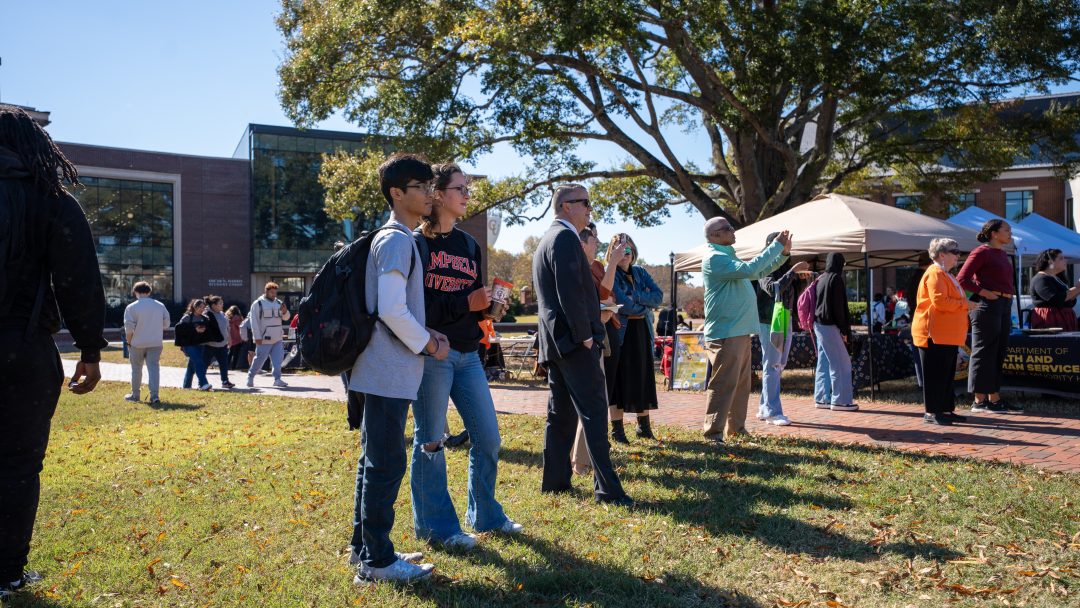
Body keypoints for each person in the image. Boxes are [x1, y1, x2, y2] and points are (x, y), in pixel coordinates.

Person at [0, 106, 107, 599]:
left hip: (21, 344)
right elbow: (77, 279)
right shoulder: (53, 202)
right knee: (19, 464)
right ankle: (7, 571)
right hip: (21, 349)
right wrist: (89, 348)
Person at [409, 162, 522, 550]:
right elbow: (414, 308)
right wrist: (465, 302)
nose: (467, 195)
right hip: (433, 356)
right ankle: (436, 527)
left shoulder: (470, 245)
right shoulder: (416, 244)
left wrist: (489, 308)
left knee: (488, 438)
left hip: (469, 354)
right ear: (438, 194)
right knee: (431, 442)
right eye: (460, 188)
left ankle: (486, 514)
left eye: (467, 188)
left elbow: (473, 302)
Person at [347, 153, 449, 583]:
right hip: (386, 370)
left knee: (374, 461)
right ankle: (378, 562)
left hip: (379, 369)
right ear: (396, 193)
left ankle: (365, 549)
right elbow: (390, 308)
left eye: (431, 186)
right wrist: (428, 342)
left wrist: (425, 334)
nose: (430, 193)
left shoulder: (394, 238)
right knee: (385, 464)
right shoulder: (396, 240)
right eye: (421, 186)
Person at [533, 184, 631, 506]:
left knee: (560, 415)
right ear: (564, 206)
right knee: (593, 413)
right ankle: (608, 491)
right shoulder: (563, 238)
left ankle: (556, 483)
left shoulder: (548, 239)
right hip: (574, 343)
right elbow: (570, 292)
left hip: (557, 344)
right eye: (584, 202)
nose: (590, 208)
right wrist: (586, 336)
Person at [700, 218, 790, 442]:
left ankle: (736, 429)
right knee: (724, 384)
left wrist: (783, 255)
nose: (732, 230)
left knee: (741, 385)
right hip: (726, 331)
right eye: (726, 229)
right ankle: (713, 433)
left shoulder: (728, 256)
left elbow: (758, 272)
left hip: (738, 331)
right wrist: (775, 246)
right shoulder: (716, 258)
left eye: (731, 226)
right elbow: (751, 268)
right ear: (714, 237)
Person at [571, 225, 624, 474]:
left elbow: (607, 295)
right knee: (591, 403)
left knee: (595, 401)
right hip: (583, 341)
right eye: (594, 237)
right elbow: (596, 299)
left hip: (598, 334)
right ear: (583, 242)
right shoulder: (575, 267)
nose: (598, 242)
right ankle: (582, 463)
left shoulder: (596, 267)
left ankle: (584, 459)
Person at [957, 219, 1019, 414]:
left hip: (1004, 304)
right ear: (994, 233)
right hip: (986, 305)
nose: (1010, 233)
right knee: (984, 352)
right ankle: (979, 401)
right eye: (1007, 230)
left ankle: (994, 398)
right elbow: (962, 279)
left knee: (999, 351)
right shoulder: (981, 251)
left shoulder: (1002, 253)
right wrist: (984, 292)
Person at [911, 238, 974, 426]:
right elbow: (940, 302)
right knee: (934, 375)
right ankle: (932, 412)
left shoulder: (947, 274)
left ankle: (946, 409)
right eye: (955, 252)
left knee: (946, 375)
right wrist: (966, 304)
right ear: (942, 254)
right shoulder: (935, 273)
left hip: (947, 334)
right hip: (933, 334)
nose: (958, 256)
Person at [610, 233, 664, 442]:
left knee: (643, 377)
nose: (624, 253)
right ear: (611, 252)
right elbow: (625, 304)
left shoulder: (640, 272)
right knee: (619, 381)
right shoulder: (611, 273)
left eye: (627, 249)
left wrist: (638, 297)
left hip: (641, 330)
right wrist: (643, 302)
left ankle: (644, 428)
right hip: (621, 332)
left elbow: (658, 296)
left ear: (633, 252)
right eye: (619, 248)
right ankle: (617, 431)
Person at [754, 233, 811, 426]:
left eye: (789, 243)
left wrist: (799, 277)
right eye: (785, 244)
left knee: (778, 364)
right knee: (773, 365)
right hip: (769, 320)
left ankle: (764, 407)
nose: (789, 246)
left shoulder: (784, 265)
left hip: (783, 317)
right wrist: (793, 272)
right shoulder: (763, 265)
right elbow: (772, 289)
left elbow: (789, 290)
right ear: (773, 246)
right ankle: (772, 412)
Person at [813, 253, 857, 411]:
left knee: (824, 362)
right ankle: (841, 401)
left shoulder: (821, 278)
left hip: (818, 324)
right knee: (841, 363)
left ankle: (822, 398)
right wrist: (844, 329)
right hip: (830, 326)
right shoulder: (836, 279)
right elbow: (839, 308)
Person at [123, 281, 170, 404]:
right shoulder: (160, 305)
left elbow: (129, 328)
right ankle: (154, 396)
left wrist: (129, 342)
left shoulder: (131, 307)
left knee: (136, 369)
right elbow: (166, 324)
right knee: (154, 368)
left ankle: (135, 394)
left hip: (137, 343)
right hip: (155, 342)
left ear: (135, 292)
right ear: (149, 292)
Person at [246, 282, 291, 388]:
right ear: (266, 291)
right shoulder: (257, 304)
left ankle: (277, 379)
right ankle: (250, 376)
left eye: (275, 293)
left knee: (278, 361)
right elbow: (254, 322)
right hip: (263, 339)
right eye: (271, 292)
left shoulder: (279, 303)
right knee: (259, 360)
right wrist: (256, 337)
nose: (274, 295)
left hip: (277, 339)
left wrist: (285, 312)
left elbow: (286, 318)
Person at [1030, 248, 1079, 331]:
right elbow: (1055, 299)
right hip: (1050, 320)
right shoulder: (1040, 279)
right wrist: (1077, 288)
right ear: (1050, 261)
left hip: (1063, 318)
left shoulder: (1057, 278)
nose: (1065, 261)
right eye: (1061, 258)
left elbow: (1067, 300)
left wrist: (1077, 290)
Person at [178, 299, 214, 391]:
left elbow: (209, 332)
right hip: (189, 345)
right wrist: (194, 330)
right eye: (200, 307)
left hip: (200, 345)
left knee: (192, 365)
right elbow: (180, 330)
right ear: (194, 307)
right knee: (199, 362)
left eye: (203, 307)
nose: (202, 309)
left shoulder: (205, 318)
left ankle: (186, 386)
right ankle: (203, 383)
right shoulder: (187, 318)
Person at [203, 295, 234, 389]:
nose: (222, 305)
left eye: (222, 303)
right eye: (220, 303)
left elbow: (227, 328)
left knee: (224, 364)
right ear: (213, 305)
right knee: (204, 364)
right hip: (210, 345)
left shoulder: (222, 314)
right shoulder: (207, 314)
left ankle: (225, 381)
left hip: (222, 345)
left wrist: (229, 338)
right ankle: (202, 382)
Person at [225, 305, 245, 370]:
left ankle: (226, 366)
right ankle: (233, 367)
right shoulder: (238, 318)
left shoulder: (227, 317)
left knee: (230, 353)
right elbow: (240, 326)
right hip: (237, 338)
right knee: (236, 354)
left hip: (230, 337)